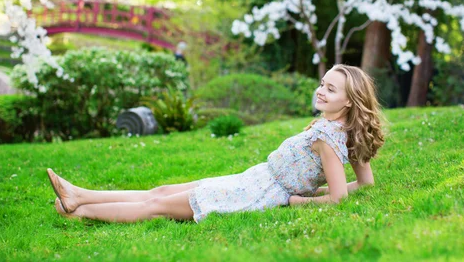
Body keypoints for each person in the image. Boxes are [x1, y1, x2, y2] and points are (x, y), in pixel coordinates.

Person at [47, 64, 385, 223]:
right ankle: (80, 196)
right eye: (322, 83)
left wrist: (299, 200)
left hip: (258, 192)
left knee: (157, 206)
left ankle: (80, 211)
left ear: (350, 102)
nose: (320, 91)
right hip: (254, 179)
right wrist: (313, 189)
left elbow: (339, 197)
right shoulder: (336, 128)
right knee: (163, 190)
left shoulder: (328, 138)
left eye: (330, 89)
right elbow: (366, 183)